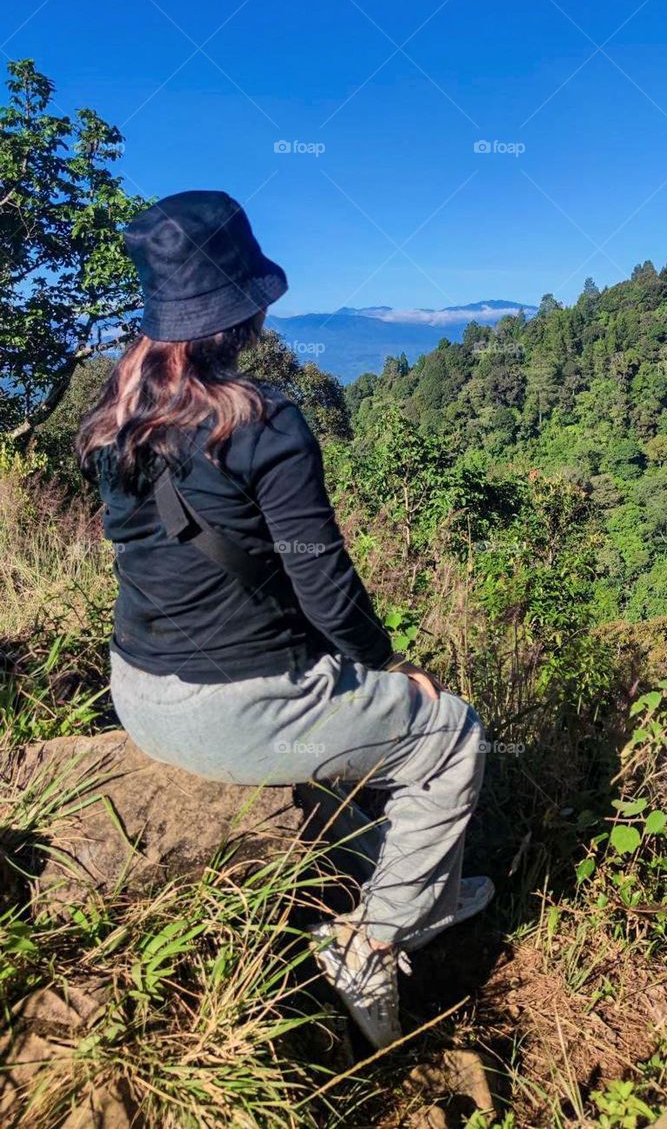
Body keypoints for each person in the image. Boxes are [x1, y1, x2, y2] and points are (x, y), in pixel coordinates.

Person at [77, 189, 492, 1049]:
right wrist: (386, 663)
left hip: (137, 687)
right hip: (235, 710)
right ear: (244, 313)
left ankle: (419, 881)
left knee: (361, 716)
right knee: (450, 735)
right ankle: (373, 941)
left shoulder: (115, 417)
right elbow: (322, 581)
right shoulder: (264, 422)